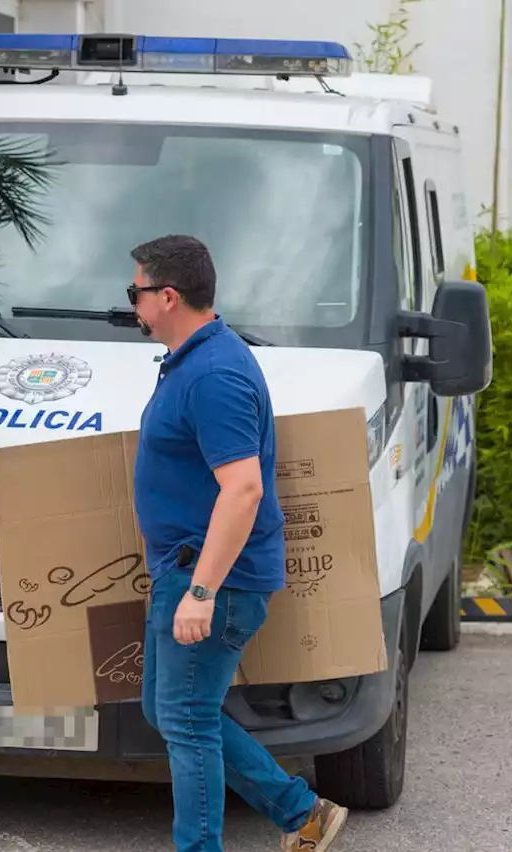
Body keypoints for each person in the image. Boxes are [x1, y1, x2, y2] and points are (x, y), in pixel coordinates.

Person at [128, 234, 348, 852]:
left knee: (188, 719)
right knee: (167, 709)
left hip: (210, 578)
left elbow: (244, 489)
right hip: (186, 570)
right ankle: (301, 812)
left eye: (137, 293)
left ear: (167, 296)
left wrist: (201, 591)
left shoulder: (215, 375)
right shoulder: (195, 358)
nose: (133, 307)